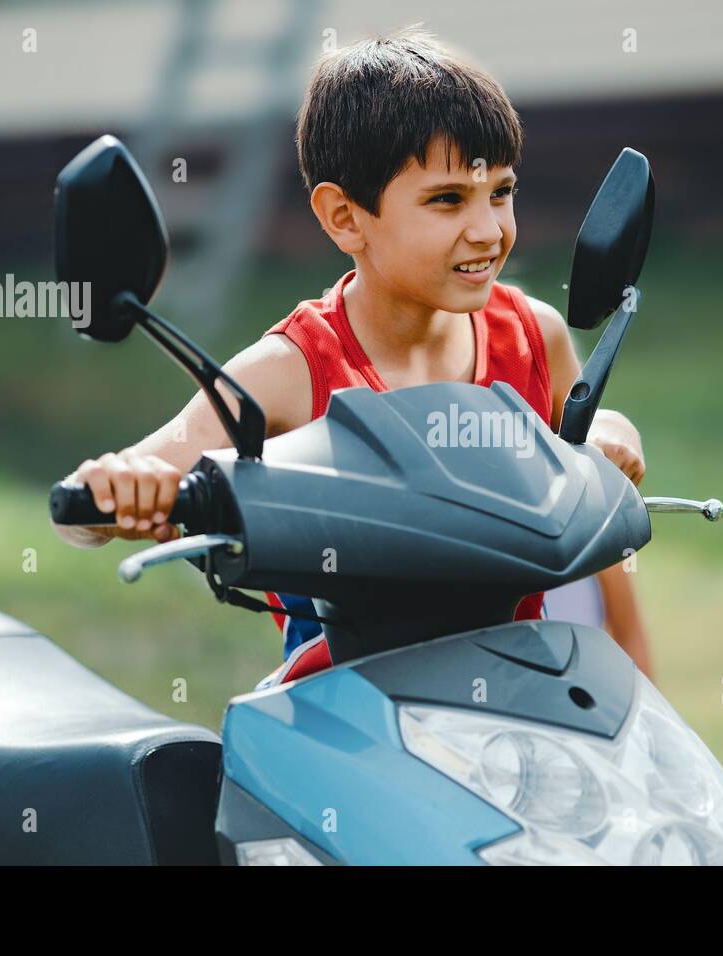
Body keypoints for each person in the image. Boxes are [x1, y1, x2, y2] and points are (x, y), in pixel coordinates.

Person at [53, 26, 654, 687]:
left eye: (501, 192)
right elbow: (99, 501)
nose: (488, 229)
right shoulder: (287, 373)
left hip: (518, 710)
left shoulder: (533, 337)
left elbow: (590, 496)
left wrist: (609, 434)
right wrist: (116, 490)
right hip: (344, 724)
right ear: (344, 218)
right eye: (447, 199)